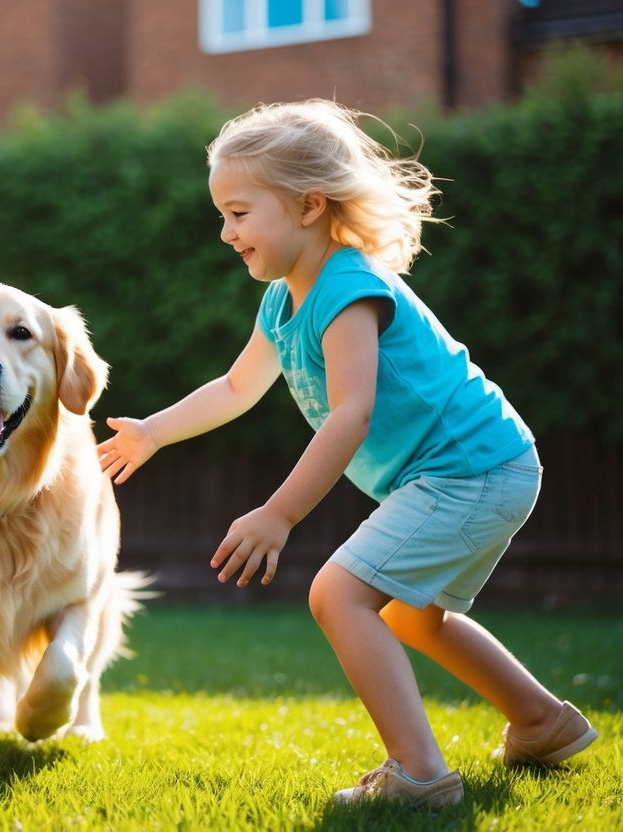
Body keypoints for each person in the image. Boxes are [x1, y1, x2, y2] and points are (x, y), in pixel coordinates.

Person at [97, 100, 597, 809]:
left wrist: (278, 513)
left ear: (306, 205)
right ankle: (542, 722)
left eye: (238, 212)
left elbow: (350, 414)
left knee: (338, 594)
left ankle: (419, 777)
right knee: (407, 614)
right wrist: (153, 430)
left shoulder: (348, 287)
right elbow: (239, 386)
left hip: (469, 468)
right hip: (477, 467)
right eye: (221, 213)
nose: (223, 231)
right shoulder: (281, 299)